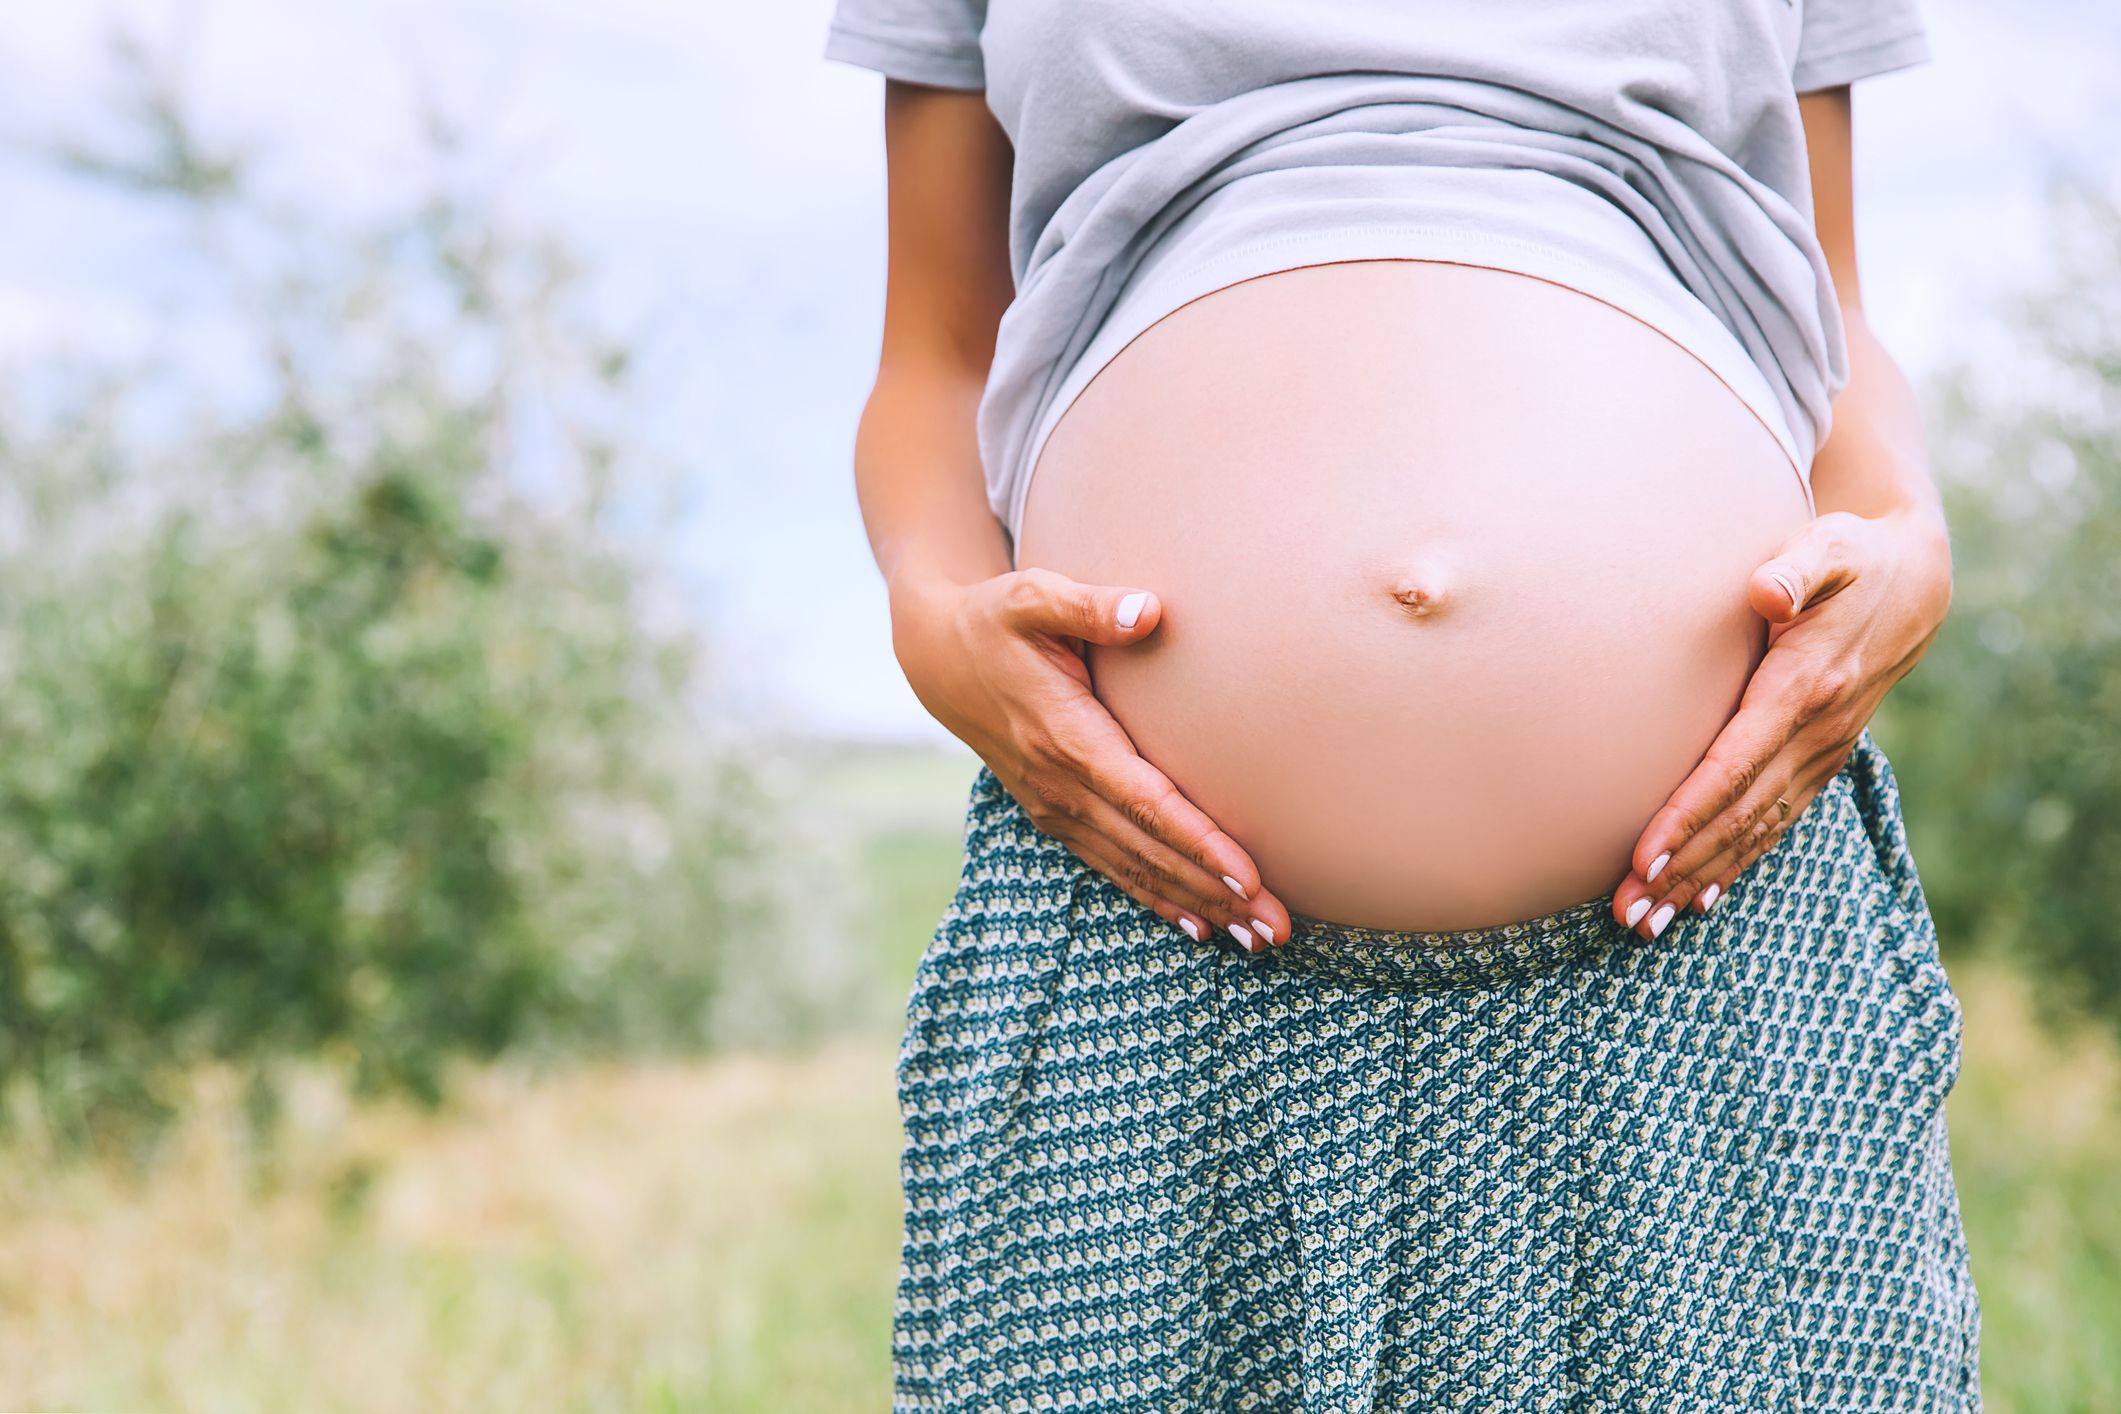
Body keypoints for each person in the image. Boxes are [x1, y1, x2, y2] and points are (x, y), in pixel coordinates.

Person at [824, 0, 1977, 1408]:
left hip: (1698, 932)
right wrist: (934, 618)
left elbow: (1824, 318)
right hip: (1150, 923)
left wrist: (1907, 535)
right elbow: (935, 356)